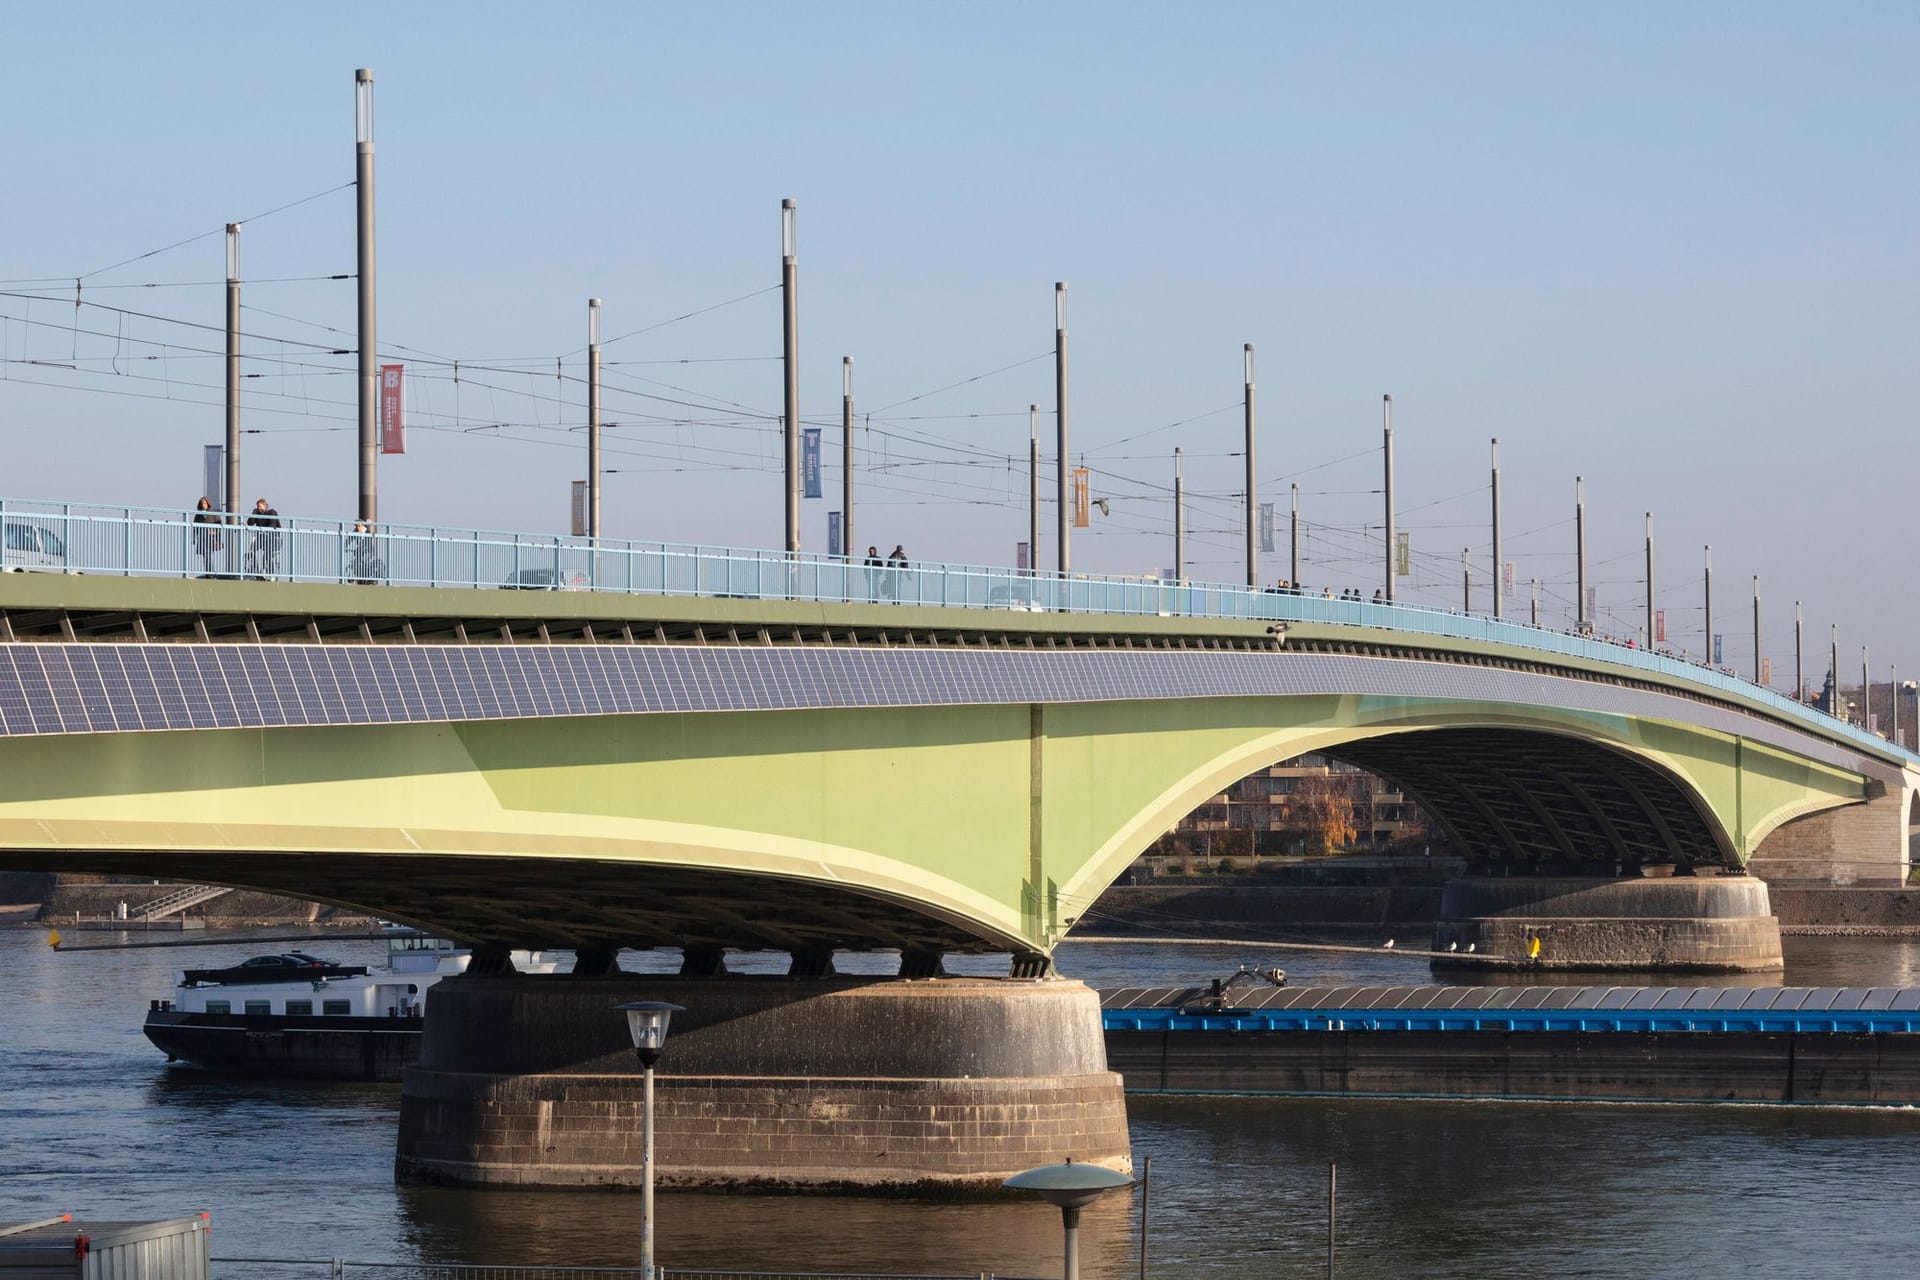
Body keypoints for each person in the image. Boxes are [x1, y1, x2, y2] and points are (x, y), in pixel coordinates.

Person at [245, 497, 281, 578]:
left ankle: (271, 574)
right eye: (258, 506)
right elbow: (250, 523)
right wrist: (254, 513)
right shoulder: (257, 513)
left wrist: (265, 530)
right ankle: (256, 571)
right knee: (251, 552)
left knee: (267, 555)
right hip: (261, 537)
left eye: (260, 506)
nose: (259, 508)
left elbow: (273, 524)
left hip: (272, 538)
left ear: (265, 506)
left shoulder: (272, 512)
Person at [191, 496, 223, 576]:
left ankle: (211, 572)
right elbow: (195, 526)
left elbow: (219, 526)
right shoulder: (198, 514)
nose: (203, 505)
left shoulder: (213, 513)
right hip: (202, 537)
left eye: (205, 503)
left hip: (211, 538)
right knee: (205, 556)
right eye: (202, 504)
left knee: (209, 555)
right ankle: (209, 572)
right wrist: (194, 538)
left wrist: (218, 538)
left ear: (208, 504)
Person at [347, 521, 382, 585]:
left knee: (365, 565)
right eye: (356, 526)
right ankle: (353, 578)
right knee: (354, 564)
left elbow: (367, 544)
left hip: (367, 553)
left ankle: (371, 579)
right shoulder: (356, 532)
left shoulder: (367, 533)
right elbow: (349, 540)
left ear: (363, 526)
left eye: (359, 526)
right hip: (360, 553)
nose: (357, 527)